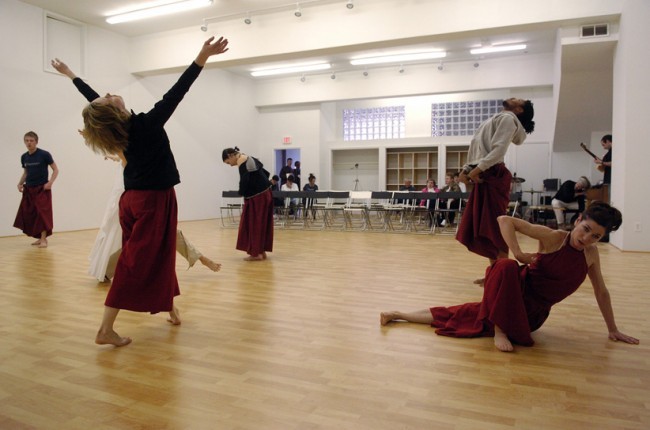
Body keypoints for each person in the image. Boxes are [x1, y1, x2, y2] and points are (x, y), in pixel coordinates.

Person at [51, 36, 230, 347]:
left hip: (134, 201)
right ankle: (105, 329)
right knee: (135, 262)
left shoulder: (120, 128)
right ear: (116, 111)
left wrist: (71, 75)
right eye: (107, 99)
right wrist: (202, 55)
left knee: (158, 254)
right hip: (152, 201)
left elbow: (95, 100)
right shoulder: (146, 125)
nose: (106, 94)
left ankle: (170, 307)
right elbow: (178, 91)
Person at [380, 202, 639, 352]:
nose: (586, 238)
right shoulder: (554, 238)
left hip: (532, 316)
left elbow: (601, 291)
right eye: (585, 229)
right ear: (579, 219)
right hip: (513, 292)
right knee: (504, 266)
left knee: (464, 314)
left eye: (595, 236)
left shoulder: (591, 255)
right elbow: (505, 220)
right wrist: (518, 254)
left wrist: (612, 329)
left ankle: (396, 314)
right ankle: (499, 330)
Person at [89, 156, 221, 282]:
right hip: (137, 200)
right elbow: (125, 156)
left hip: (146, 198)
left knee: (161, 235)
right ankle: (107, 271)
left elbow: (126, 156)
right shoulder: (136, 159)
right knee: (141, 240)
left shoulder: (145, 157)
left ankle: (107, 272)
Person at [456, 98, 535, 281]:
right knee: (488, 227)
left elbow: (498, 151)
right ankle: (495, 273)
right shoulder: (497, 118)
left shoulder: (508, 119)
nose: (513, 98)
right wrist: (466, 169)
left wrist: (475, 170)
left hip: (493, 174)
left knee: (496, 226)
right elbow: (478, 149)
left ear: (519, 109)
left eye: (518, 100)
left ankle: (502, 276)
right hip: (485, 173)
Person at [222, 146, 274, 261]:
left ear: (231, 156)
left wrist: (241, 192)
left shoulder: (242, 161)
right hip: (265, 194)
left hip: (258, 197)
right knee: (261, 224)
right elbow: (265, 172)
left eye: (228, 162)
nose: (230, 165)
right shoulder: (249, 158)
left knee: (254, 224)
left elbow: (244, 181)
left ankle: (256, 254)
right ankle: (261, 251)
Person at [14, 131, 59, 248]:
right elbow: (26, 172)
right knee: (31, 214)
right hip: (29, 189)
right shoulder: (24, 157)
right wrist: (20, 183)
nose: (29, 143)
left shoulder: (44, 154)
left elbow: (56, 170)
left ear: (36, 142)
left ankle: (44, 239)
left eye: (31, 140)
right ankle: (39, 238)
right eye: (27, 140)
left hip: (42, 189)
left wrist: (50, 183)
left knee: (42, 214)